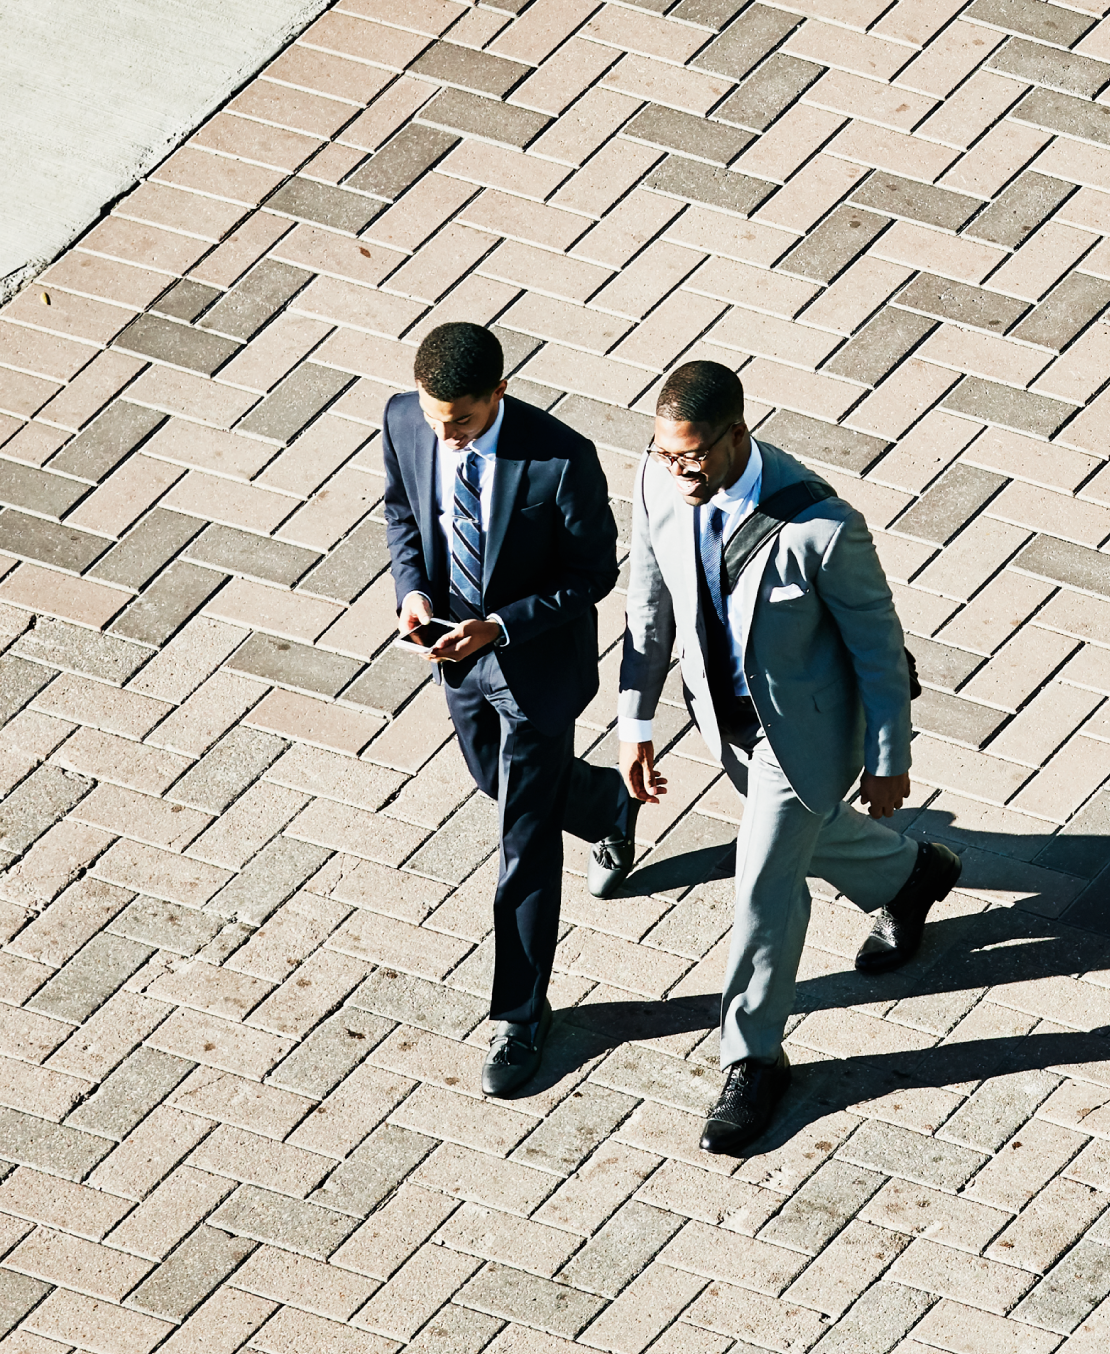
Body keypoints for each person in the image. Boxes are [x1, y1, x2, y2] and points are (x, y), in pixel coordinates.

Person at [618, 361, 961, 1154]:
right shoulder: (653, 476)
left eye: (692, 455)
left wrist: (887, 758)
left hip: (804, 733)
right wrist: (635, 720)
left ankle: (752, 1058)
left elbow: (878, 651)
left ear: (737, 435)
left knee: (764, 883)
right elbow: (647, 601)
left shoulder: (821, 526)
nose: (677, 471)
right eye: (666, 454)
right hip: (724, 721)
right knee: (802, 835)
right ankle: (908, 875)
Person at [382, 322, 637, 1096]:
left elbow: (592, 574)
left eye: (458, 419)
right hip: (453, 657)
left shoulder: (561, 461)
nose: (444, 433)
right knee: (496, 784)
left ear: (498, 392)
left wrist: (501, 625)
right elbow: (401, 512)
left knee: (521, 842)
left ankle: (521, 1016)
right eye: (434, 416)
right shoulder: (403, 418)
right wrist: (413, 593)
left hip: (534, 672)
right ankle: (604, 802)